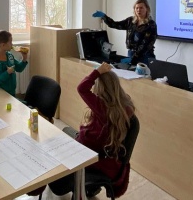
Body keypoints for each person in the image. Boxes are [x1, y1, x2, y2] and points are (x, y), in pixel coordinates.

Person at [48, 62, 135, 197]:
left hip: (91, 155)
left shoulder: (102, 107)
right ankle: (90, 188)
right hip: (104, 154)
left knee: (54, 149)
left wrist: (97, 72)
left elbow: (82, 88)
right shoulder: (125, 108)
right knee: (65, 132)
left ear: (101, 89)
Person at [93, 0, 157, 65]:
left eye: (141, 8)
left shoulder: (151, 25)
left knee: (144, 75)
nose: (138, 10)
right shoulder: (130, 21)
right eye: (136, 8)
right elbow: (115, 25)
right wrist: (104, 16)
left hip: (144, 56)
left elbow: (146, 45)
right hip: (131, 53)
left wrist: (134, 58)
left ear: (147, 9)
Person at [0, 30, 28, 97]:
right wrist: (7, 72)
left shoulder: (9, 56)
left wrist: (24, 59)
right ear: (3, 45)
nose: (12, 44)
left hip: (12, 93)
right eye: (10, 42)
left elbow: (19, 69)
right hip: (1, 95)